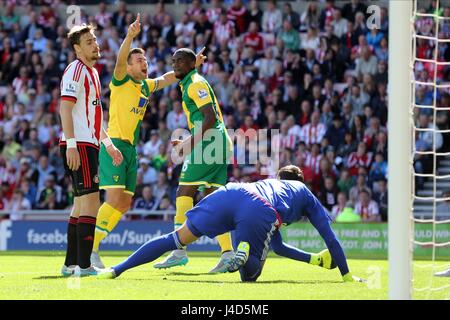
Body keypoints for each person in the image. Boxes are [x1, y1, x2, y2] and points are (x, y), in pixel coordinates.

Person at [98, 165, 363, 283]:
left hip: (231, 193)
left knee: (174, 238)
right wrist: (347, 275)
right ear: (301, 180)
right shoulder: (304, 194)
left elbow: (278, 246)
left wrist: (313, 260)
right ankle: (244, 248)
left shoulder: (271, 183)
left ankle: (116, 270)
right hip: (260, 210)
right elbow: (331, 238)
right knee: (250, 276)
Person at [89, 15, 210, 270]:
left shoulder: (145, 85)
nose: (144, 62)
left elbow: (167, 78)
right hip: (114, 146)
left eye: (145, 59)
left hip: (131, 150)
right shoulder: (121, 80)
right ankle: (89, 248)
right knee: (112, 199)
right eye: (139, 60)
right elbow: (121, 59)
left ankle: (92, 246)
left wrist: (191, 66)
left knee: (124, 203)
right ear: (129, 67)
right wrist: (130, 36)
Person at [152, 47, 235, 273]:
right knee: (214, 200)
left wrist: (189, 143)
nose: (175, 64)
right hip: (218, 142)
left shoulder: (195, 82)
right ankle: (228, 254)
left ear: (191, 63)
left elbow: (210, 117)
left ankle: (179, 251)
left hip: (209, 142)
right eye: (173, 60)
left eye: (180, 61)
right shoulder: (190, 80)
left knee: (183, 192)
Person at [59, 24, 123, 277]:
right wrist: (72, 145)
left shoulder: (92, 73)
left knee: (79, 204)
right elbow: (65, 109)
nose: (95, 45)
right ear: (77, 48)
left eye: (95, 40)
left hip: (88, 143)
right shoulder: (76, 71)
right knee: (91, 203)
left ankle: (70, 265)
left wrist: (108, 144)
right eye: (88, 42)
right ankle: (85, 267)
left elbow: (93, 117)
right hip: (81, 145)